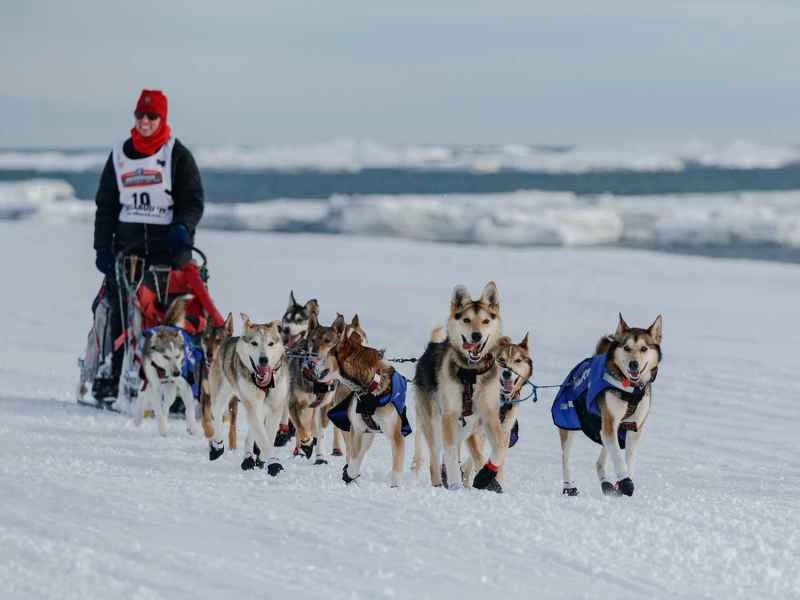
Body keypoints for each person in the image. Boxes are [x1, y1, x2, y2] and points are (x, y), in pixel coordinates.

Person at [92, 89, 224, 402]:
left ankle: (183, 382)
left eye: (153, 116)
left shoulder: (176, 155)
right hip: (128, 250)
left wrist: (183, 226)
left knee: (176, 316)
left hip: (169, 250)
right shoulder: (120, 155)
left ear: (162, 119)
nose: (146, 121)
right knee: (120, 310)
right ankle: (114, 372)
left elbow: (193, 199)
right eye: (141, 115)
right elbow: (106, 204)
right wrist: (102, 248)